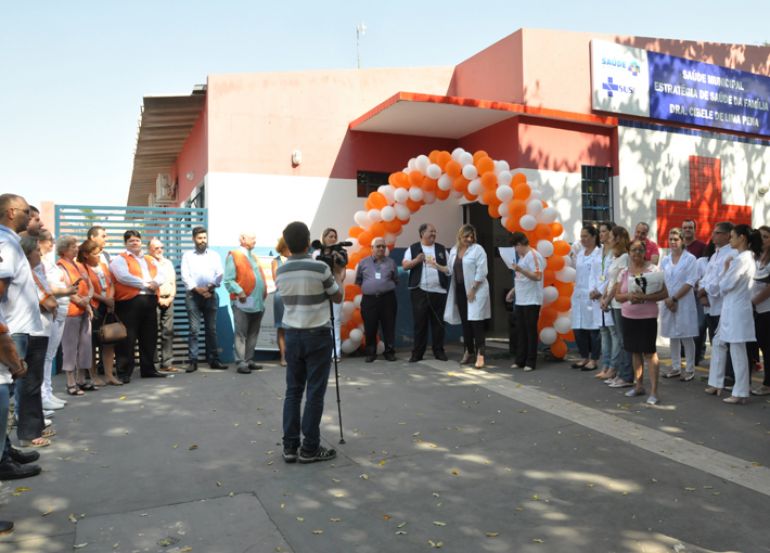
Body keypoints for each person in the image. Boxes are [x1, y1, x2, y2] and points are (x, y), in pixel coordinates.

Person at [276, 221, 342, 464]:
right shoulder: (319, 268)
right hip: (317, 335)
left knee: (293, 392)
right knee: (314, 393)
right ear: (307, 242)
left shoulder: (280, 271)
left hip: (292, 335)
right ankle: (310, 448)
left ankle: (290, 447)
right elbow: (338, 296)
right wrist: (334, 270)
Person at [0, 193, 43, 480]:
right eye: (27, 211)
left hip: (14, 328)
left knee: (8, 398)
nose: (31, 216)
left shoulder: (10, 240)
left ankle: (5, 451)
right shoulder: (5, 242)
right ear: (12, 212)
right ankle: (3, 460)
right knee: (7, 397)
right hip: (9, 330)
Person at [705, 224, 760, 404]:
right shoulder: (743, 257)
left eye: (733, 236)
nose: (730, 239)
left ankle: (741, 391)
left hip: (737, 308)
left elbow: (726, 285)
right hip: (731, 308)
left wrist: (726, 269)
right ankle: (716, 382)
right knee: (718, 341)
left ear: (742, 238)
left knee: (737, 350)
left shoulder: (742, 259)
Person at [614, 239, 669, 405]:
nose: (636, 254)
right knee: (634, 351)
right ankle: (638, 386)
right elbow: (617, 296)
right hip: (628, 316)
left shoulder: (652, 270)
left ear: (644, 252)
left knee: (649, 353)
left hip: (647, 317)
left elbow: (664, 293)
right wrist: (628, 297)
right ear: (629, 252)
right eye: (633, 250)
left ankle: (654, 391)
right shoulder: (624, 271)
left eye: (639, 250)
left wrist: (644, 297)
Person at [110, 230, 167, 382]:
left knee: (149, 336)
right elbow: (122, 277)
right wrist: (146, 284)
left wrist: (156, 283)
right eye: (131, 241)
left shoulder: (149, 259)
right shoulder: (119, 259)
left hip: (149, 300)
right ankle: (124, 373)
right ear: (125, 243)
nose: (134, 243)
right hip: (129, 302)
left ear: (141, 242)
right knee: (127, 338)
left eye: (137, 240)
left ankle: (148, 369)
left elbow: (161, 273)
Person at [18, 235, 56, 447]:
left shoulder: (34, 272)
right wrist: (52, 303)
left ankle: (35, 426)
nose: (40, 254)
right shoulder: (27, 273)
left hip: (38, 330)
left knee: (34, 381)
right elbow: (48, 301)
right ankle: (28, 433)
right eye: (36, 251)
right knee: (30, 382)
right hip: (32, 331)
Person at [444, 224, 490, 369]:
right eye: (466, 236)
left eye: (472, 236)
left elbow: (482, 271)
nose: (469, 239)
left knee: (476, 323)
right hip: (460, 290)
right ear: (460, 236)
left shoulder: (478, 249)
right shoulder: (453, 250)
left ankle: (480, 355)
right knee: (466, 323)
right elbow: (449, 269)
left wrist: (473, 289)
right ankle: (468, 351)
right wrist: (436, 265)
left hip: (476, 290)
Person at [402, 223, 449, 362]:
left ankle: (439, 351)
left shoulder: (441, 249)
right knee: (420, 324)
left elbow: (448, 268)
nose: (434, 234)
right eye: (431, 231)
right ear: (422, 233)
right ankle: (417, 353)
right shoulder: (413, 248)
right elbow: (405, 266)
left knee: (439, 323)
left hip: (439, 291)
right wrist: (417, 260)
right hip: (420, 291)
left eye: (435, 231)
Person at [181, 226, 226, 372]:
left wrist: (210, 288)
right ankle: (193, 361)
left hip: (210, 295)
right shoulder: (187, 256)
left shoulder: (214, 255)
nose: (202, 241)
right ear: (194, 239)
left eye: (204, 238)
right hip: (193, 296)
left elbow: (219, 274)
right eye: (200, 238)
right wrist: (197, 289)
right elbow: (185, 275)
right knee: (194, 330)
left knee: (211, 329)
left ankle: (214, 360)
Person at [38, 231, 74, 409]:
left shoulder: (47, 261)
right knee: (45, 355)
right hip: (51, 310)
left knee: (50, 355)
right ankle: (43, 395)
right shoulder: (39, 261)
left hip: (60, 310)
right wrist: (67, 291)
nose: (52, 243)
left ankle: (48, 392)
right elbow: (47, 286)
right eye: (49, 240)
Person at [224, 232, 268, 374]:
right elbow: (228, 280)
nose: (255, 240)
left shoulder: (253, 257)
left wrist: (263, 293)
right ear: (242, 239)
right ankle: (241, 362)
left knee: (253, 333)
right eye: (252, 238)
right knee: (241, 333)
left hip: (257, 302)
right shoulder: (234, 255)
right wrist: (240, 291)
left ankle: (249, 360)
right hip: (242, 302)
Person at [56, 235, 95, 395]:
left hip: (84, 309)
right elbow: (66, 289)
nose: (76, 248)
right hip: (71, 311)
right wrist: (83, 302)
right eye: (73, 246)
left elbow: (90, 284)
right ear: (64, 250)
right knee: (70, 347)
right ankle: (70, 382)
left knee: (85, 346)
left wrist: (88, 300)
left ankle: (81, 379)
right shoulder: (60, 267)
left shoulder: (79, 266)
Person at [660, 228, 699, 381]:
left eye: (676, 239)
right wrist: (667, 300)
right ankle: (676, 367)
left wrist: (674, 299)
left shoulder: (690, 259)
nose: (673, 242)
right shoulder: (665, 259)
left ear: (682, 241)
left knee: (686, 336)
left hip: (683, 301)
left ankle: (689, 369)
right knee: (672, 335)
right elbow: (661, 281)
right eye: (670, 239)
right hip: (668, 302)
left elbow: (690, 282)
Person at [80, 239, 121, 386]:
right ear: (86, 255)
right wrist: (104, 299)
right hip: (94, 306)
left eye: (100, 253)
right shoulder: (82, 268)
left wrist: (110, 299)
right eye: (96, 254)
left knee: (109, 340)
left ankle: (109, 374)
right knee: (92, 342)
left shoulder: (104, 266)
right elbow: (86, 290)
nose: (99, 256)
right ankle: (93, 375)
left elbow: (111, 284)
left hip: (108, 305)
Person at [700, 222, 737, 385]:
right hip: (709, 305)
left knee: (726, 343)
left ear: (728, 235)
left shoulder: (732, 254)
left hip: (722, 305)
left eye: (717, 233)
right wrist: (701, 291)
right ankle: (716, 375)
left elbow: (720, 281)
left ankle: (728, 376)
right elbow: (706, 277)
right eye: (713, 232)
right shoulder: (715, 254)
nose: (713, 236)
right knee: (715, 341)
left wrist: (704, 290)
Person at [355, 236, 398, 362]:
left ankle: (389, 352)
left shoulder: (391, 262)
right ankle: (370, 353)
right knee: (370, 327)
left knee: (389, 326)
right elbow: (359, 280)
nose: (381, 248)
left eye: (383, 246)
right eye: (378, 246)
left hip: (388, 299)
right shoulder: (363, 263)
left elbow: (395, 279)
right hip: (369, 300)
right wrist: (372, 287)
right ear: (371, 248)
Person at [602, 226, 633, 388]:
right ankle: (621, 373)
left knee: (623, 340)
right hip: (614, 303)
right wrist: (605, 297)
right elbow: (610, 281)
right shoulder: (615, 257)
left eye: (611, 236)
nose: (608, 238)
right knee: (620, 340)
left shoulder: (625, 258)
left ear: (618, 239)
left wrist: (607, 299)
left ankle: (626, 375)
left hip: (620, 304)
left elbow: (619, 283)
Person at [508, 232, 544, 371]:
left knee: (530, 330)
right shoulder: (522, 257)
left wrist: (521, 270)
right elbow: (520, 279)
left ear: (520, 244)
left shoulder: (534, 256)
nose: (516, 250)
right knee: (521, 330)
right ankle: (520, 359)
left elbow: (537, 276)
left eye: (515, 247)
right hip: (521, 298)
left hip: (532, 299)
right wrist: (513, 291)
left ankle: (530, 361)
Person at [314, 228, 348, 360]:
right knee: (322, 320)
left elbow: (343, 270)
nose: (333, 239)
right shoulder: (317, 253)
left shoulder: (341, 252)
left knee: (336, 320)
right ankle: (323, 351)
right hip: (320, 289)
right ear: (324, 238)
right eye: (330, 236)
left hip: (336, 287)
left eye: (335, 236)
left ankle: (336, 352)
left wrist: (337, 258)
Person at [571, 224, 602, 371]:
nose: (582, 239)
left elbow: (601, 274)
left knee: (593, 329)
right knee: (578, 328)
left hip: (592, 295)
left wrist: (597, 290)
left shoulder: (599, 253)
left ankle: (594, 359)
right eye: (581, 236)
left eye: (585, 236)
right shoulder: (580, 253)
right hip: (578, 294)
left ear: (594, 237)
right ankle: (584, 357)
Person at [593, 222, 618, 380]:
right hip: (597, 297)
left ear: (611, 233)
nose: (601, 234)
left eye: (604, 231)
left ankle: (613, 367)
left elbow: (612, 277)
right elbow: (593, 274)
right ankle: (605, 365)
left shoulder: (615, 253)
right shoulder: (598, 251)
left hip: (609, 296)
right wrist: (592, 289)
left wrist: (601, 291)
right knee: (603, 332)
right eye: (600, 232)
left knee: (613, 332)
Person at [148, 238, 178, 372]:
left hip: (168, 300)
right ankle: (153, 363)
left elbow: (173, 282)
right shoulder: (147, 262)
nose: (160, 250)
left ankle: (167, 363)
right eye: (156, 248)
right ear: (150, 249)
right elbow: (148, 282)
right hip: (154, 300)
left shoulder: (168, 263)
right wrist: (159, 297)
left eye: (161, 247)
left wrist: (171, 297)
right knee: (152, 333)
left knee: (168, 332)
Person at [751, 225, 770, 396]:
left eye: (766, 236)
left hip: (767, 309)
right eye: (760, 236)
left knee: (767, 347)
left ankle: (767, 384)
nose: (762, 239)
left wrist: (753, 302)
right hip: (757, 310)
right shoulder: (755, 258)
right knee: (763, 346)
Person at [272, 237, 290, 367]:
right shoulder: (276, 261)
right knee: (281, 327)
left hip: (295, 297)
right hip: (281, 296)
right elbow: (277, 280)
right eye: (288, 247)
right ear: (283, 247)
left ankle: (294, 356)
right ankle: (283, 357)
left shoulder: (296, 260)